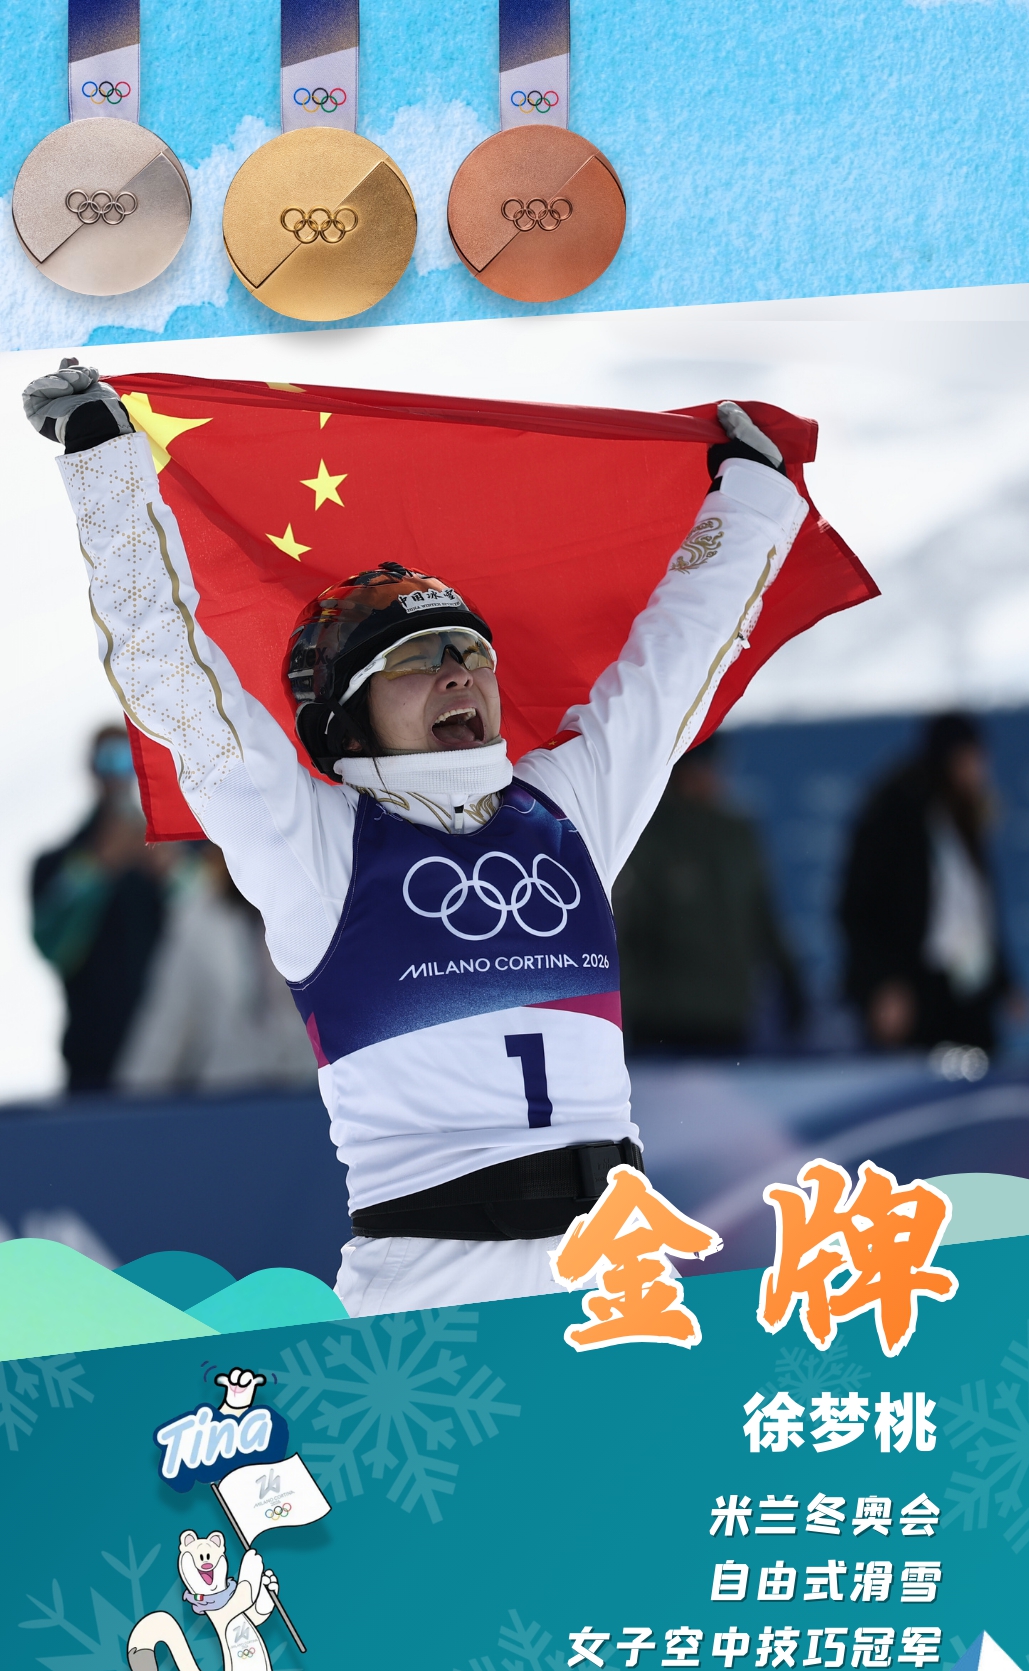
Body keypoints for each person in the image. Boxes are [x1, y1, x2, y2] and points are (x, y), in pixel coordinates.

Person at [24, 362, 809, 1314]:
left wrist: (752, 499)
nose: (459, 674)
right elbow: (178, 685)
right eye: (416, 661)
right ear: (349, 724)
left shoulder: (567, 810)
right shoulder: (316, 850)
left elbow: (675, 663)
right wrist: (105, 467)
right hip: (432, 1291)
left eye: (470, 651)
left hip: (617, 1277)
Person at [838, 711, 1021, 1056]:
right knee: (919, 1082)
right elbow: (859, 909)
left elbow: (976, 910)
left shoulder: (964, 816)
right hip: (916, 993)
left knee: (981, 1078)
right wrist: (883, 984)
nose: (980, 770)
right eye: (970, 758)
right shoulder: (894, 812)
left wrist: (1006, 984)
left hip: (969, 990)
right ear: (949, 758)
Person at [614, 738, 804, 1053]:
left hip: (728, 1015)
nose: (711, 776)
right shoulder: (645, 833)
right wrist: (631, 1001)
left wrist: (790, 980)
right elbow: (625, 929)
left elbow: (763, 916)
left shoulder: (738, 834)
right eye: (702, 767)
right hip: (662, 1020)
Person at [116, 843, 319, 1094]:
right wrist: (131, 1103)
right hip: (230, 1091)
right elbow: (166, 1024)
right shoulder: (196, 922)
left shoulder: (313, 907)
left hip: (311, 1088)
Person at [31, 725, 167, 1090]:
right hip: (92, 1058)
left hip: (172, 1054)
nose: (117, 773)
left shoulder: (166, 861)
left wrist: (169, 874)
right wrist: (99, 868)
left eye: (128, 760)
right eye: (109, 760)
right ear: (91, 769)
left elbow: (216, 921)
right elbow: (51, 945)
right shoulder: (54, 865)